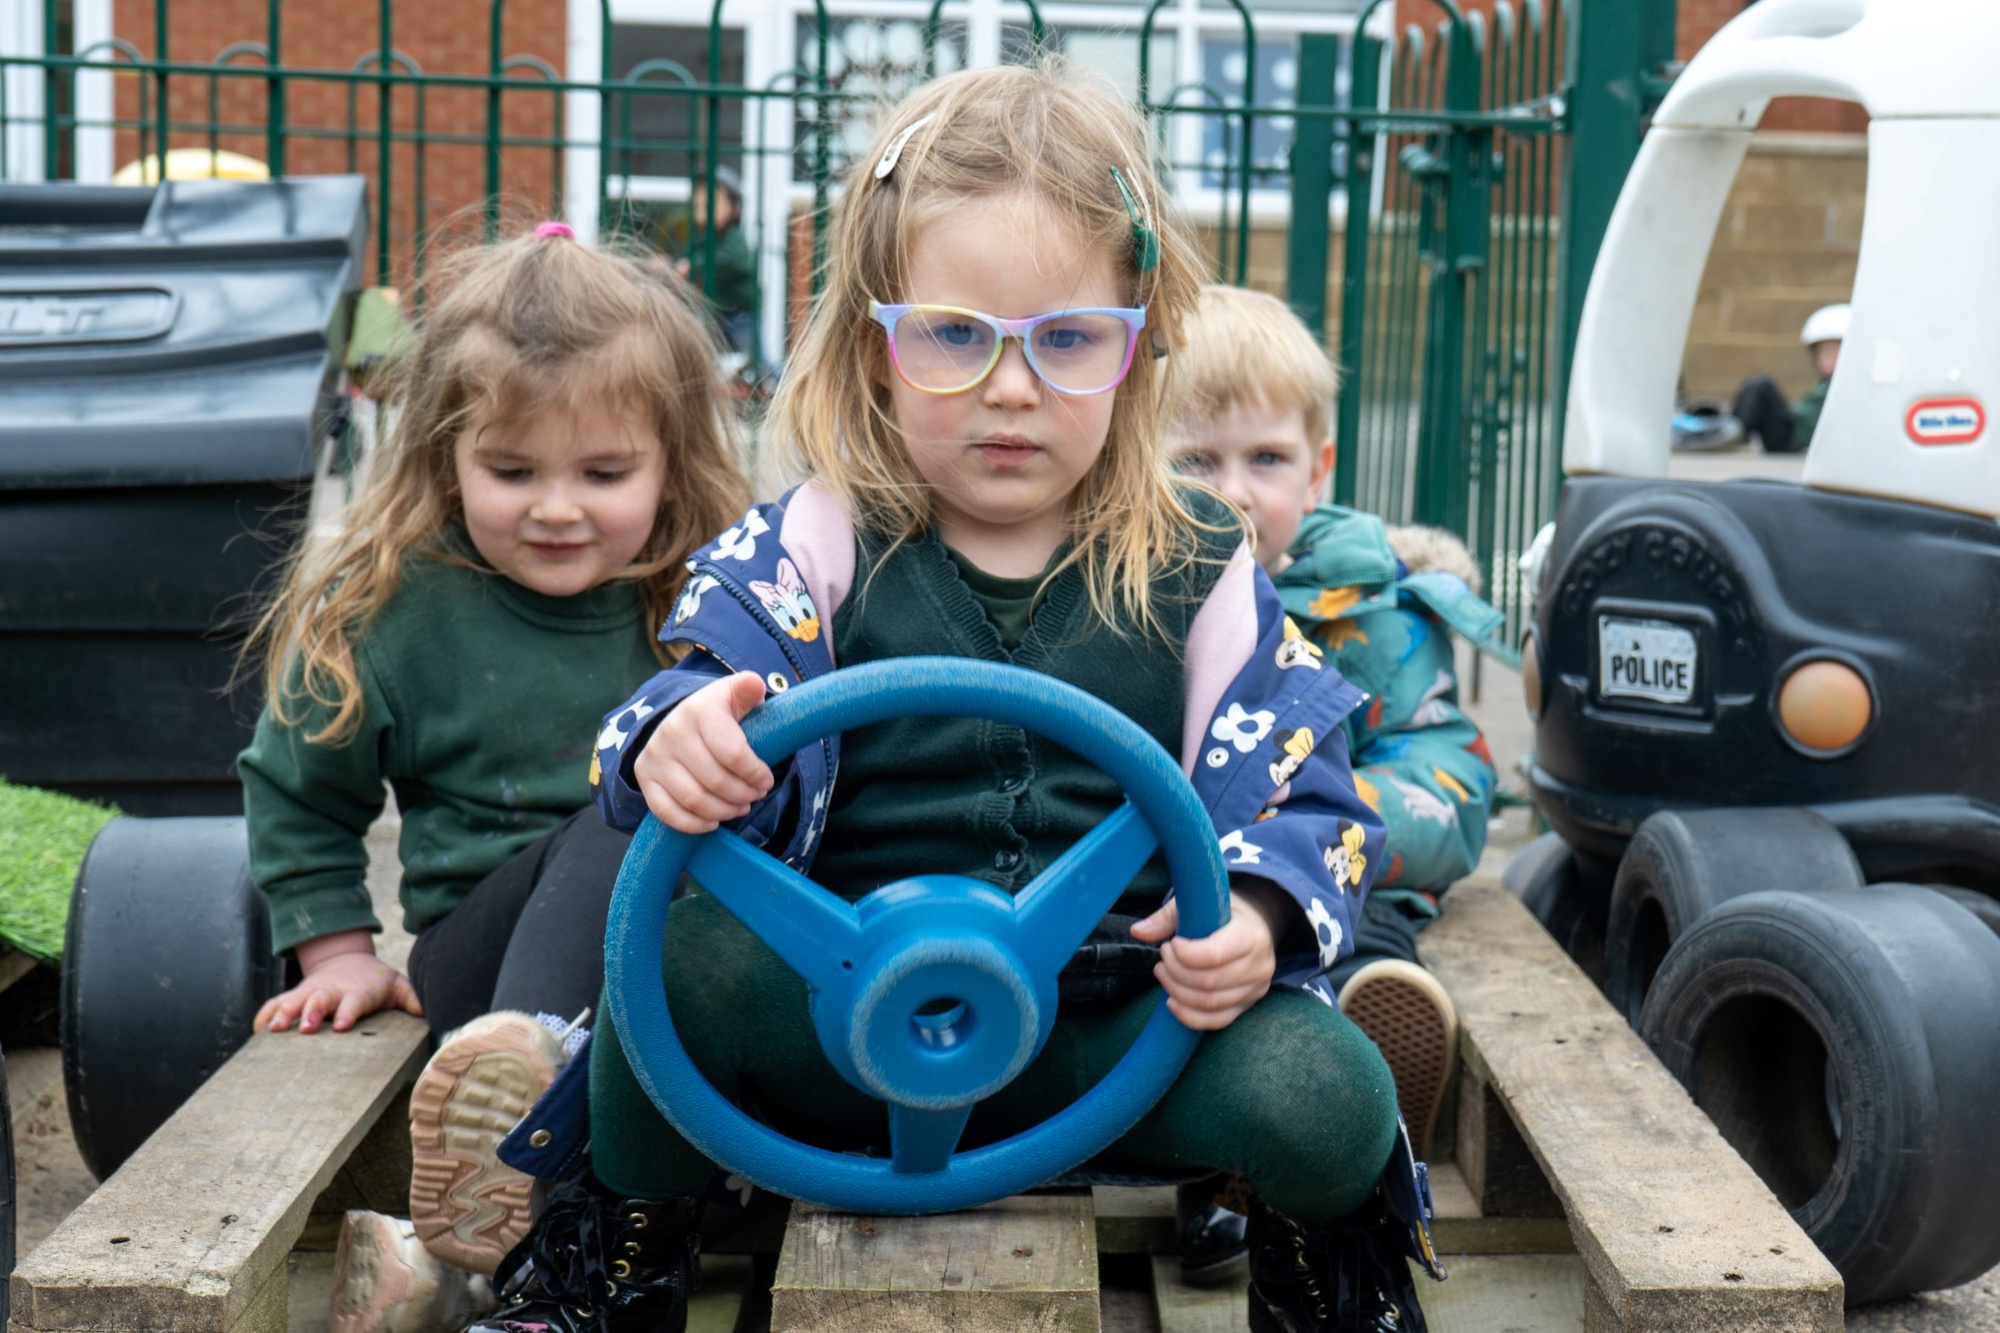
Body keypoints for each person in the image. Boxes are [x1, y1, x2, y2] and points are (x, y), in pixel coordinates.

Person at [474, 62, 1441, 1333]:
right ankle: (617, 1254)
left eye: (1066, 338)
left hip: (1118, 1036)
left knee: (1330, 1093)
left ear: (1136, 343)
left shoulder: (1201, 567)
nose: (1010, 387)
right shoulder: (816, 537)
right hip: (842, 1020)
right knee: (667, 968)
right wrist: (681, 738)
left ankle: (1326, 1285)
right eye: (953, 334)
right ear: (875, 345)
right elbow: (691, 692)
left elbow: (1308, 791)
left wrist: (1256, 915)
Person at [237, 221, 750, 1331]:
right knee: (638, 799)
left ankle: (452, 1269)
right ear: (447, 457)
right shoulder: (393, 609)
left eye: (604, 473)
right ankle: (526, 1085)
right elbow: (299, 785)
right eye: (512, 471)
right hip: (481, 973)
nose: (557, 506)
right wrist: (337, 949)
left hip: (672, 973)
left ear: (670, 462)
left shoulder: (711, 604)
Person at [1164, 285, 1501, 1281]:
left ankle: (1357, 1077)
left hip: (1342, 897)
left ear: (1317, 471)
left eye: (1265, 460)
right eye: (1195, 461)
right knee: (1193, 975)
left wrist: (1332, 833)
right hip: (1179, 901)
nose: (1233, 491)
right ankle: (1221, 1164)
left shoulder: (1370, 614)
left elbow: (1449, 773)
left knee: (1348, 958)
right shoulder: (1139, 602)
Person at [649, 164, 760, 359]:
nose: (702, 213)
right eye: (698, 206)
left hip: (738, 316)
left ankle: (777, 375)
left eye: (710, 205)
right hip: (715, 316)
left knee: (755, 360)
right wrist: (670, 264)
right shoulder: (702, 238)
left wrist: (690, 266)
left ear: (734, 208)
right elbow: (687, 256)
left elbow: (729, 259)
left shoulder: (733, 237)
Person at [1727, 302, 1848, 455]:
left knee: (1761, 386)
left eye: (1832, 354)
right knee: (1754, 386)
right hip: (1789, 428)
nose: (1825, 361)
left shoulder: (1845, 389)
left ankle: (1730, 435)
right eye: (1822, 354)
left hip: (1790, 437)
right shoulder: (1821, 387)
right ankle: (1728, 430)